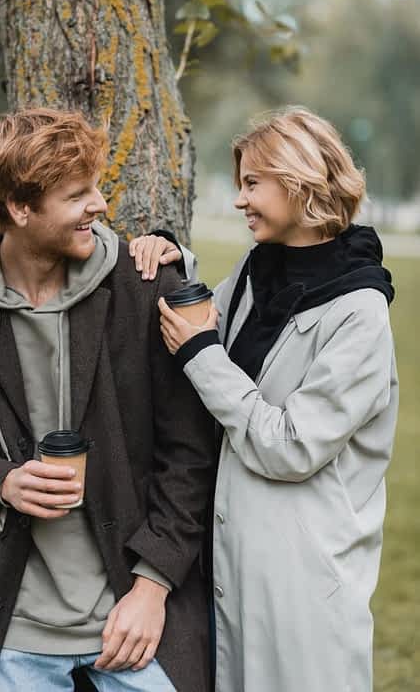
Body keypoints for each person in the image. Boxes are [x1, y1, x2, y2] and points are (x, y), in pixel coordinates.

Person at [0, 108, 215, 692]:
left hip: (139, 622)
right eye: (79, 195)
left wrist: (152, 589)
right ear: (20, 209)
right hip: (14, 634)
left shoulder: (146, 285)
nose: (100, 205)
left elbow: (192, 453)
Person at [129, 106, 399, 692]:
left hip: (305, 586)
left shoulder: (360, 312)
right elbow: (213, 319)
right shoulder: (262, 268)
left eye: (252, 183)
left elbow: (291, 447)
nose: (240, 200)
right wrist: (174, 260)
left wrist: (200, 353)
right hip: (233, 566)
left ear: (299, 181)